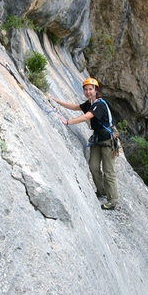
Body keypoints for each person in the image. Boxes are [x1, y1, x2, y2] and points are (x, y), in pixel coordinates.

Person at [52, 78, 119, 210]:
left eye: (90, 89)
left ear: (96, 90)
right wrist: (58, 102)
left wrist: (67, 122)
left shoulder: (98, 104)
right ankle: (101, 192)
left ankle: (113, 200)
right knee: (93, 166)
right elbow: (77, 107)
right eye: (86, 89)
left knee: (108, 171)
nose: (88, 92)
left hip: (108, 141)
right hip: (97, 139)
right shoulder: (90, 103)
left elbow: (87, 116)